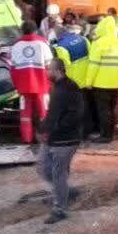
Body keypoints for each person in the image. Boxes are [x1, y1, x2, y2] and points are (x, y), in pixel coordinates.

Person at [38, 58, 84, 224]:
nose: (46, 72)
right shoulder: (58, 87)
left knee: (57, 174)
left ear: (57, 71)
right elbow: (53, 114)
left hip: (65, 140)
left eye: (48, 69)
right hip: (55, 137)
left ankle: (60, 209)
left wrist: (51, 128)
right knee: (43, 168)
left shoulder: (67, 89)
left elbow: (74, 115)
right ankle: (63, 192)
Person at [83, 15, 118, 142]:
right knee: (113, 110)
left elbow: (93, 65)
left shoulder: (98, 44)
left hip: (101, 83)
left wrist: (88, 82)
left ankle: (105, 136)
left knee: (103, 111)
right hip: (116, 83)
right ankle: (111, 134)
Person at [9, 21, 54, 144]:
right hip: (42, 86)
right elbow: (50, 66)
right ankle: (46, 138)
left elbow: (12, 69)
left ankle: (27, 139)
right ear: (35, 31)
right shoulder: (42, 44)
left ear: (22, 31)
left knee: (25, 115)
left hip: (23, 87)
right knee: (44, 113)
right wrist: (51, 84)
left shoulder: (16, 46)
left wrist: (17, 85)